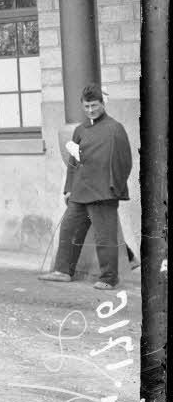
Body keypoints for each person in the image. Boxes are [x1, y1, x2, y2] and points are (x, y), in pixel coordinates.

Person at [38, 85, 133, 291]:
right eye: (87, 106)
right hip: (80, 192)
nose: (90, 110)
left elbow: (124, 162)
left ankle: (109, 278)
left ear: (102, 104)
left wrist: (114, 188)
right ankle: (63, 271)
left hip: (103, 193)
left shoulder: (115, 128)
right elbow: (73, 163)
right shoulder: (80, 130)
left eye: (94, 105)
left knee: (104, 236)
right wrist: (68, 189)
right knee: (69, 228)